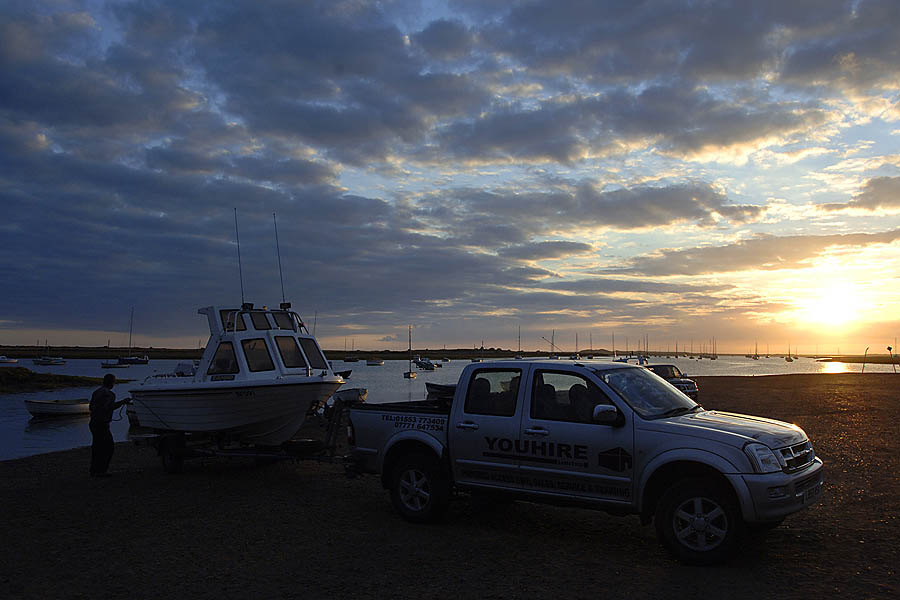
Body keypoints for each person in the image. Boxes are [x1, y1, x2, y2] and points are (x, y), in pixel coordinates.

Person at [89, 373, 128, 477]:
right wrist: (123, 402)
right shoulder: (109, 394)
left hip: (93, 423)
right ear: (112, 383)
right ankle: (101, 471)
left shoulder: (96, 392)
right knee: (108, 448)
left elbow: (90, 407)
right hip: (102, 424)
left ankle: (94, 470)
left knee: (97, 447)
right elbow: (109, 407)